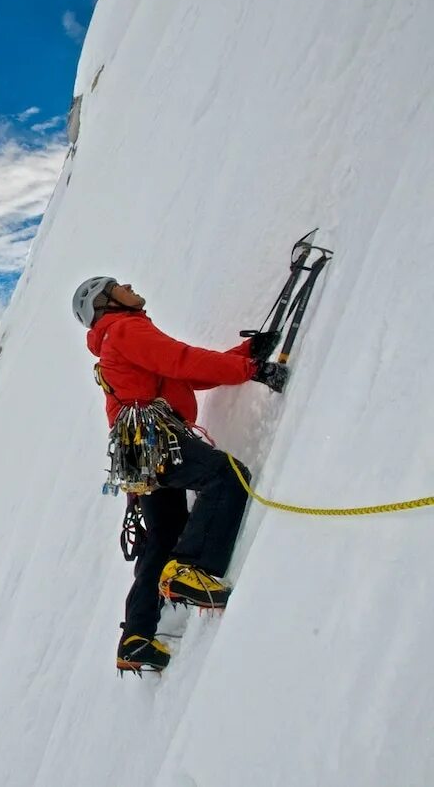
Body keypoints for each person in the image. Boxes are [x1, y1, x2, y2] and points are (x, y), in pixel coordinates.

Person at [71, 276, 286, 673]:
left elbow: (183, 374)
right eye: (117, 285)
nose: (128, 286)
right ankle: (193, 569)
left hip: (137, 452)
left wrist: (242, 355)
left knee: (163, 536)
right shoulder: (126, 328)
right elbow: (182, 360)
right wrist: (253, 369)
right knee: (225, 477)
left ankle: (136, 637)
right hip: (155, 437)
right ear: (105, 303)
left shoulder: (115, 340)